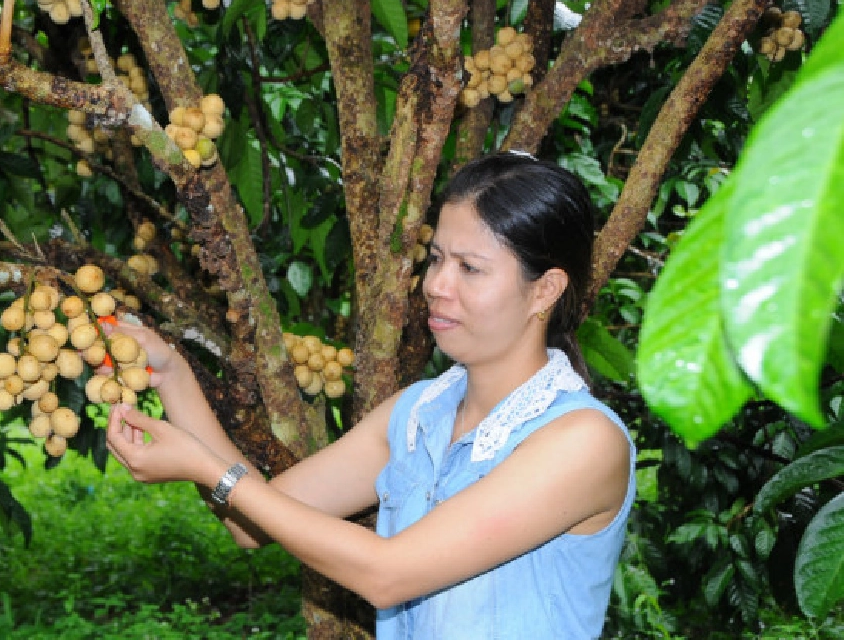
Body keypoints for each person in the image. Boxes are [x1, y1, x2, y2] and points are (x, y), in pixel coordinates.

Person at [104, 151, 636, 639]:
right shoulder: (416, 414)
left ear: (545, 290)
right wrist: (171, 374)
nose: (437, 285)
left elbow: (388, 573)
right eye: (436, 260)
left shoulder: (583, 441)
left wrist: (209, 470)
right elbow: (251, 521)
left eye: (469, 268)